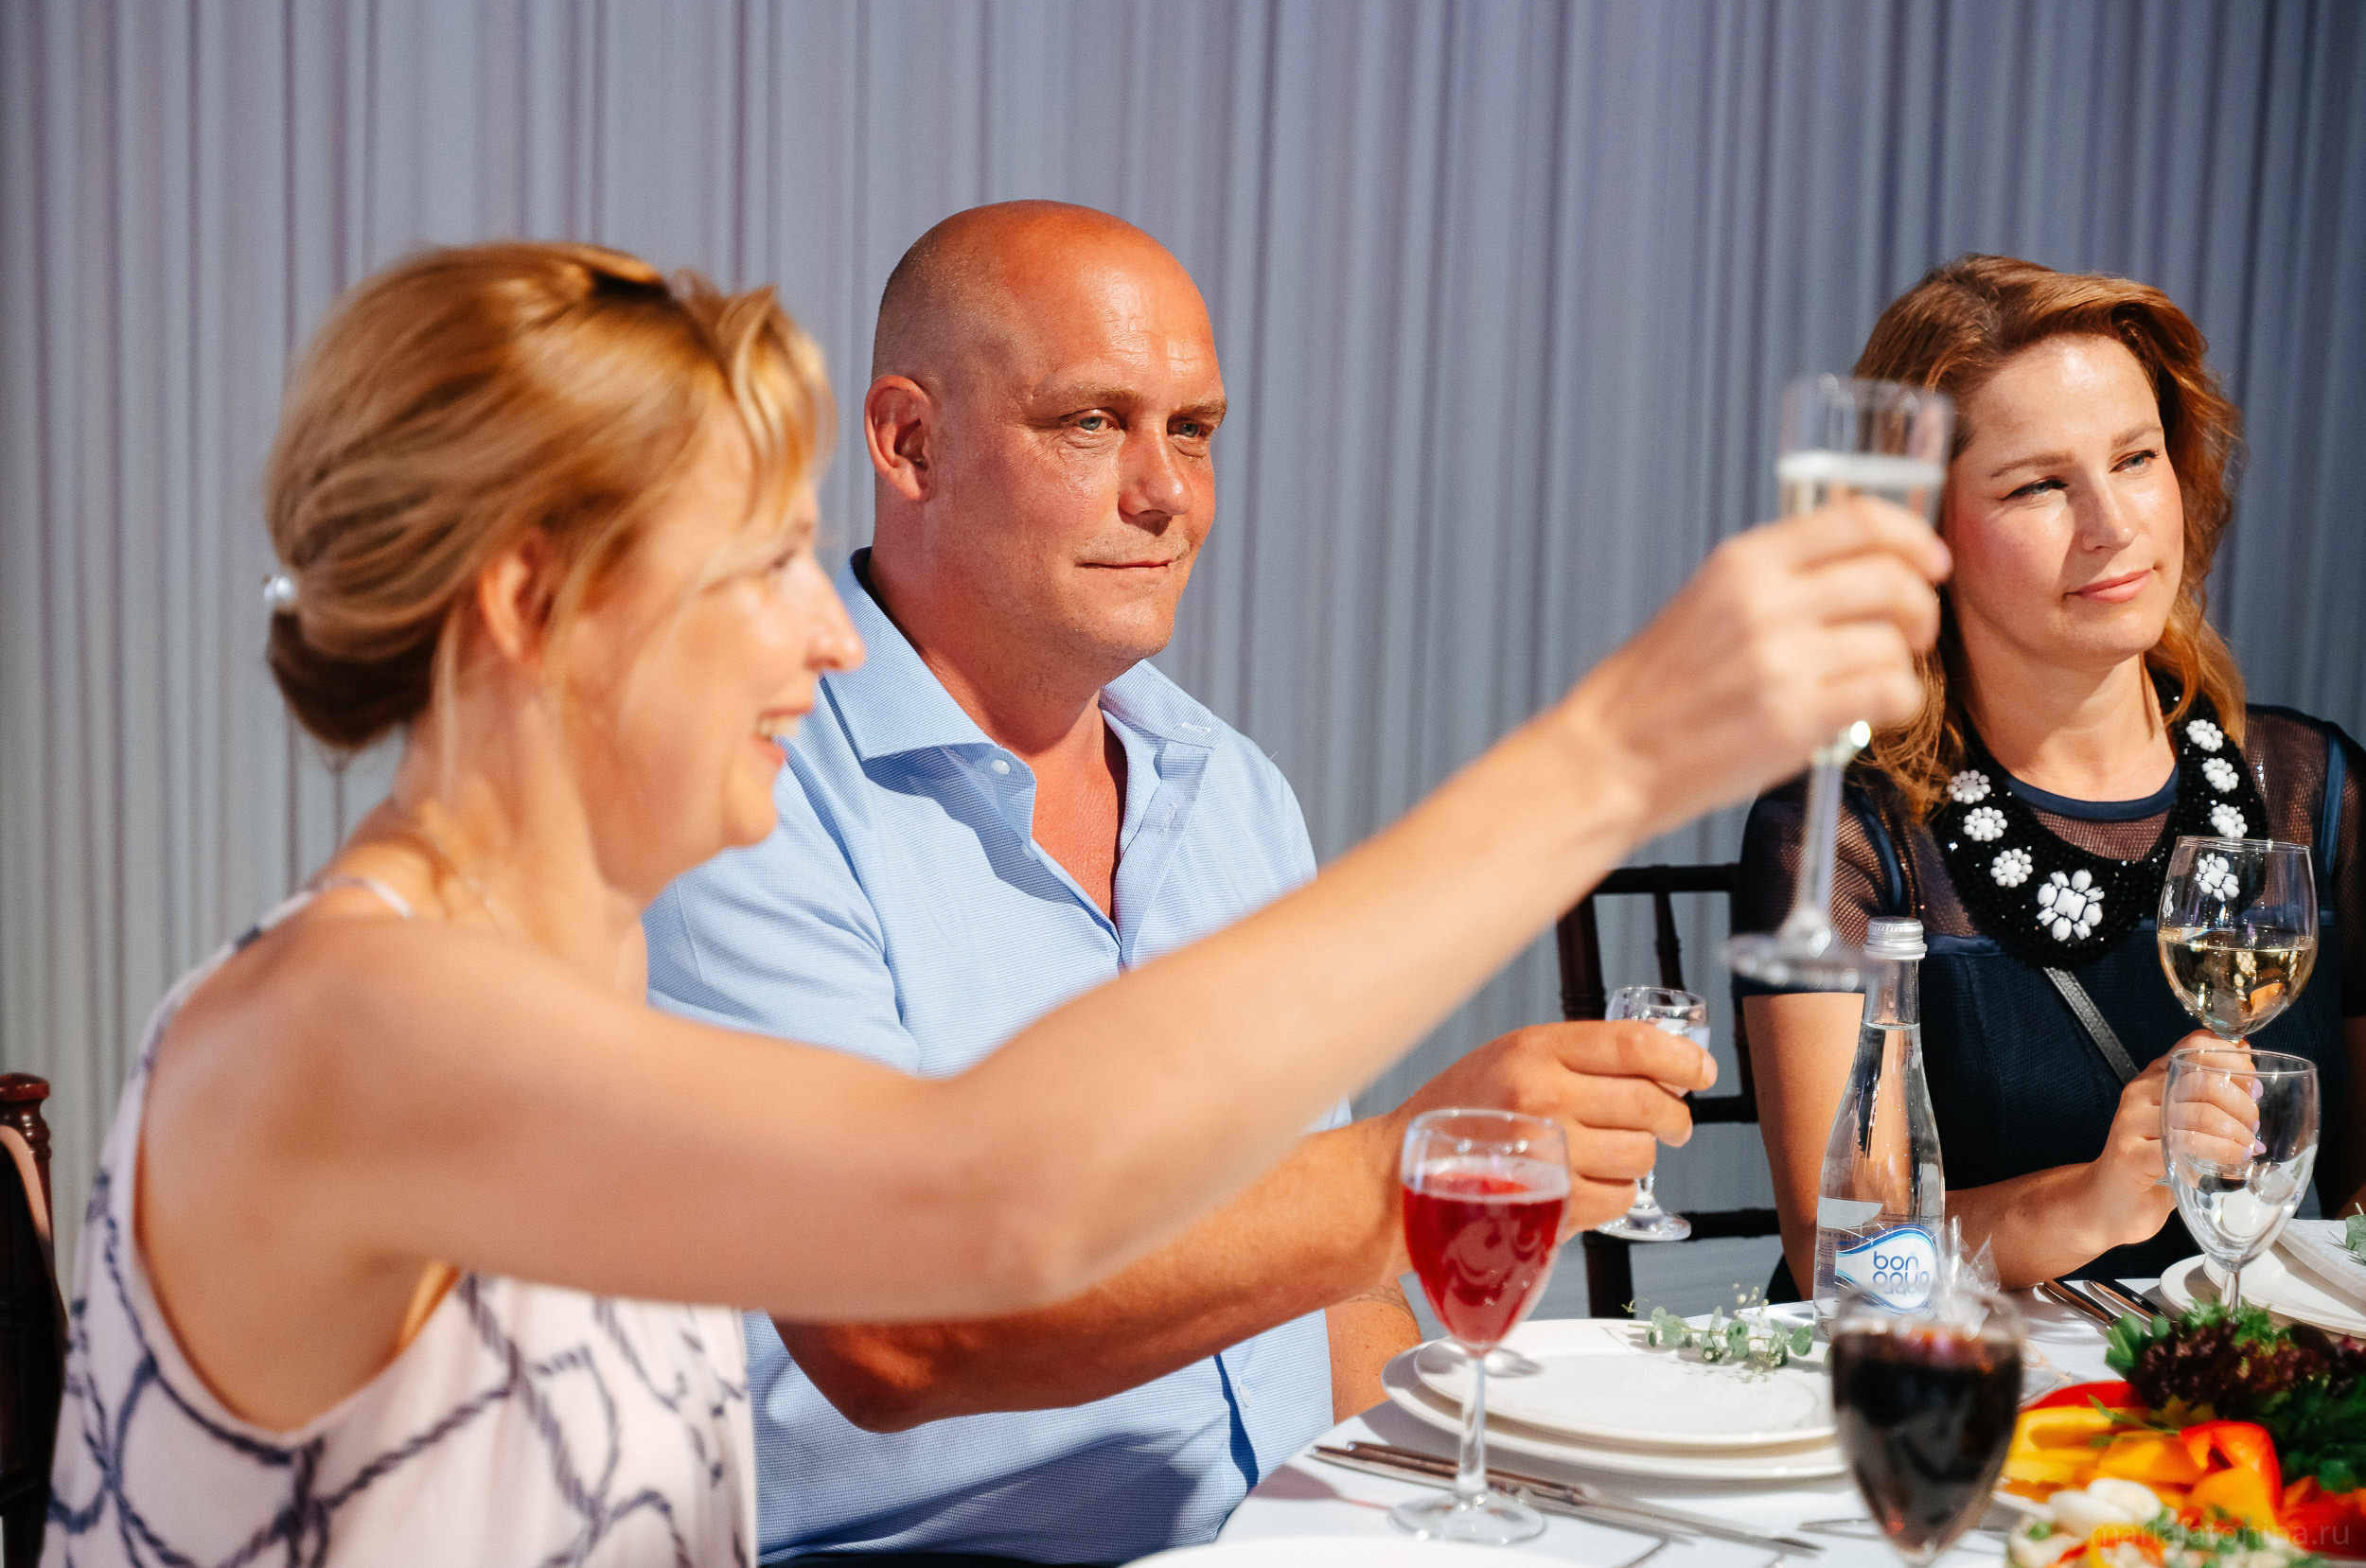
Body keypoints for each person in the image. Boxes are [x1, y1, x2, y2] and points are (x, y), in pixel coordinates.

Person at [43, 238, 1946, 1567]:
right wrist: (1613, 751)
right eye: (759, 563)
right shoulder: (349, 1026)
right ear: (533, 604)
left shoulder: (561, 962)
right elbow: (969, 1228)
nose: (825, 628)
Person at [644, 202, 1729, 1566]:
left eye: (1196, 429)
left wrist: (1428, 1525)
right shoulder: (747, 791)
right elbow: (889, 1329)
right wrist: (1413, 1171)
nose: (1165, 492)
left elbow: (1327, 1288)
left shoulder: (1231, 788)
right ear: (910, 441)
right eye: (1091, 422)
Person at [1739, 255, 2364, 1301]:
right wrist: (2090, 1201)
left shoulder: (2318, 790)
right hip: (1949, 1385)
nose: (2113, 523)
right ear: (1921, 529)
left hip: (2245, 1389)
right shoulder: (1846, 834)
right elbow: (1837, 1257)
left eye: (2135, 458)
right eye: (2038, 484)